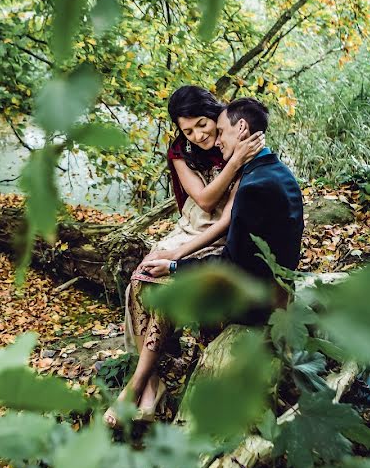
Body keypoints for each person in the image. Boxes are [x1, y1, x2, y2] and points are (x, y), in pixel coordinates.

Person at [103, 87, 266, 428]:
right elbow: (203, 199)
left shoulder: (236, 141)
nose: (199, 135)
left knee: (167, 286)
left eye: (203, 125)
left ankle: (136, 387)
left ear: (216, 115)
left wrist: (177, 256)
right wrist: (174, 248)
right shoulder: (181, 151)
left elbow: (223, 216)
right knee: (139, 281)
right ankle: (150, 383)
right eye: (188, 130)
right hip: (189, 227)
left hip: (218, 235)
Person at [143, 97, 304, 319]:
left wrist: (174, 267)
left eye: (220, 131)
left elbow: (232, 265)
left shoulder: (252, 188)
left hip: (256, 304)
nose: (217, 141)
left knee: (162, 285)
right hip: (276, 288)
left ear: (241, 128)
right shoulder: (276, 171)